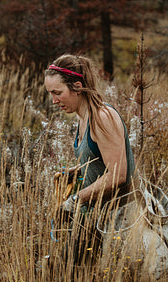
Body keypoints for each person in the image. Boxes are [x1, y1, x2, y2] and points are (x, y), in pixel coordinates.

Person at [45, 54, 136, 264]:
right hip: (94, 216)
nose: (54, 100)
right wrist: (77, 170)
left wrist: (75, 200)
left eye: (58, 93)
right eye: (51, 93)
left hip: (116, 219)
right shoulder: (82, 116)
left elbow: (118, 175)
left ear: (77, 86)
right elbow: (99, 159)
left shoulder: (102, 117)